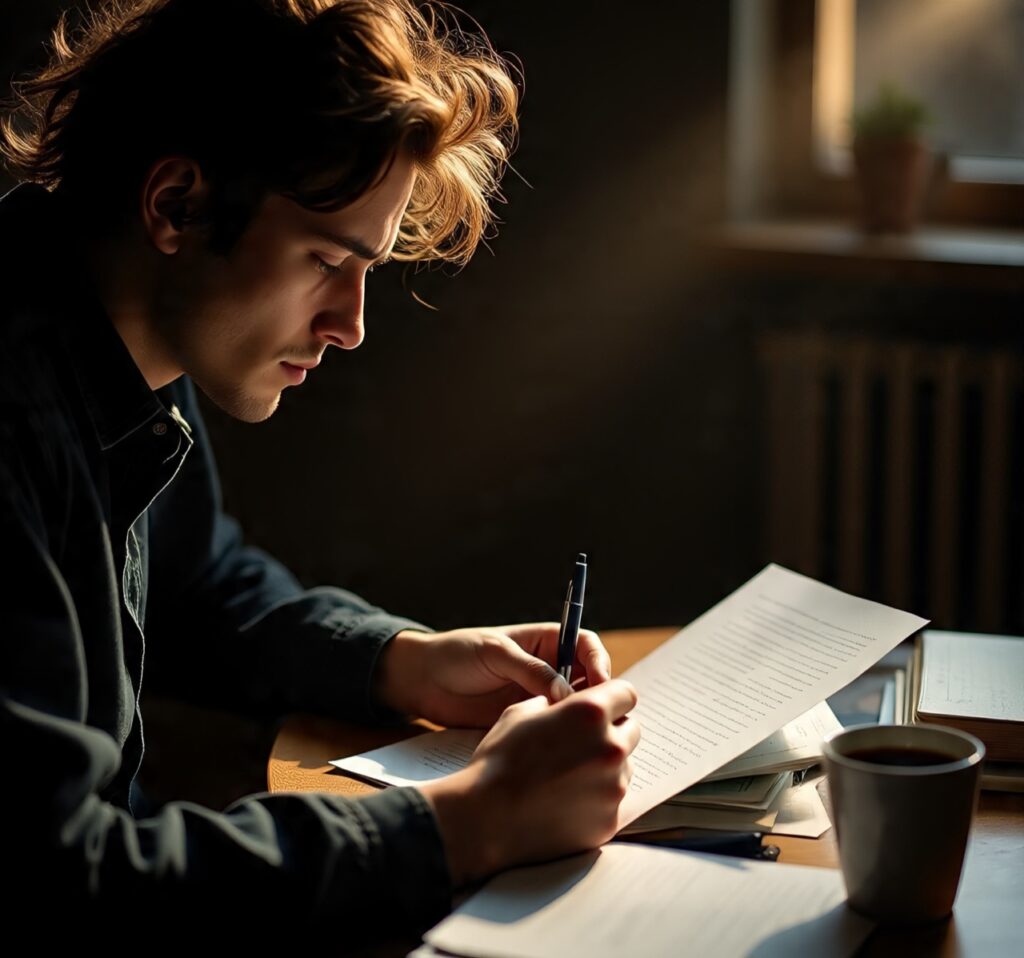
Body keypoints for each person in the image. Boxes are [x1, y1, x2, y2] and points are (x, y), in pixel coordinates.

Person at [0, 0, 640, 935]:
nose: (351, 324)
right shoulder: (15, 416)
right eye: (324, 261)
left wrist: (398, 663)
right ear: (176, 204)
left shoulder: (123, 333)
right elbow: (67, 881)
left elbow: (201, 587)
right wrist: (468, 821)